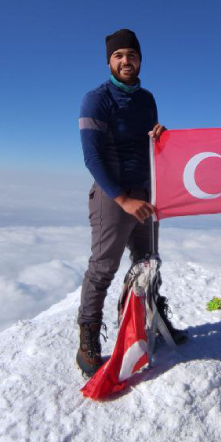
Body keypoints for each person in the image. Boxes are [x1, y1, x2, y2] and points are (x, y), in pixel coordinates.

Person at [76, 28, 187, 377]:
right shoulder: (97, 99)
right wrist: (122, 199)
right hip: (114, 197)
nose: (126, 61)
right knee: (103, 268)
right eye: (119, 55)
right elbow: (92, 157)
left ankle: (150, 318)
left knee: (147, 262)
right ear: (109, 61)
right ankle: (88, 339)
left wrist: (160, 135)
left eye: (132, 55)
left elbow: (148, 145)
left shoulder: (147, 99)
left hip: (147, 194)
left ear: (141, 60)